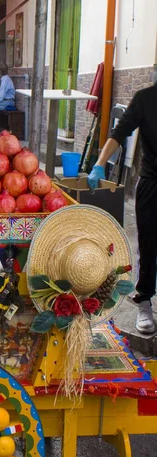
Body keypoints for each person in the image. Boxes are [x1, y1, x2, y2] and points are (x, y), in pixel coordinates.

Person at [87, 82, 157, 334]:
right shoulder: (145, 99)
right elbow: (119, 133)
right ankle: (145, 300)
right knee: (149, 245)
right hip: (152, 183)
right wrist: (100, 163)